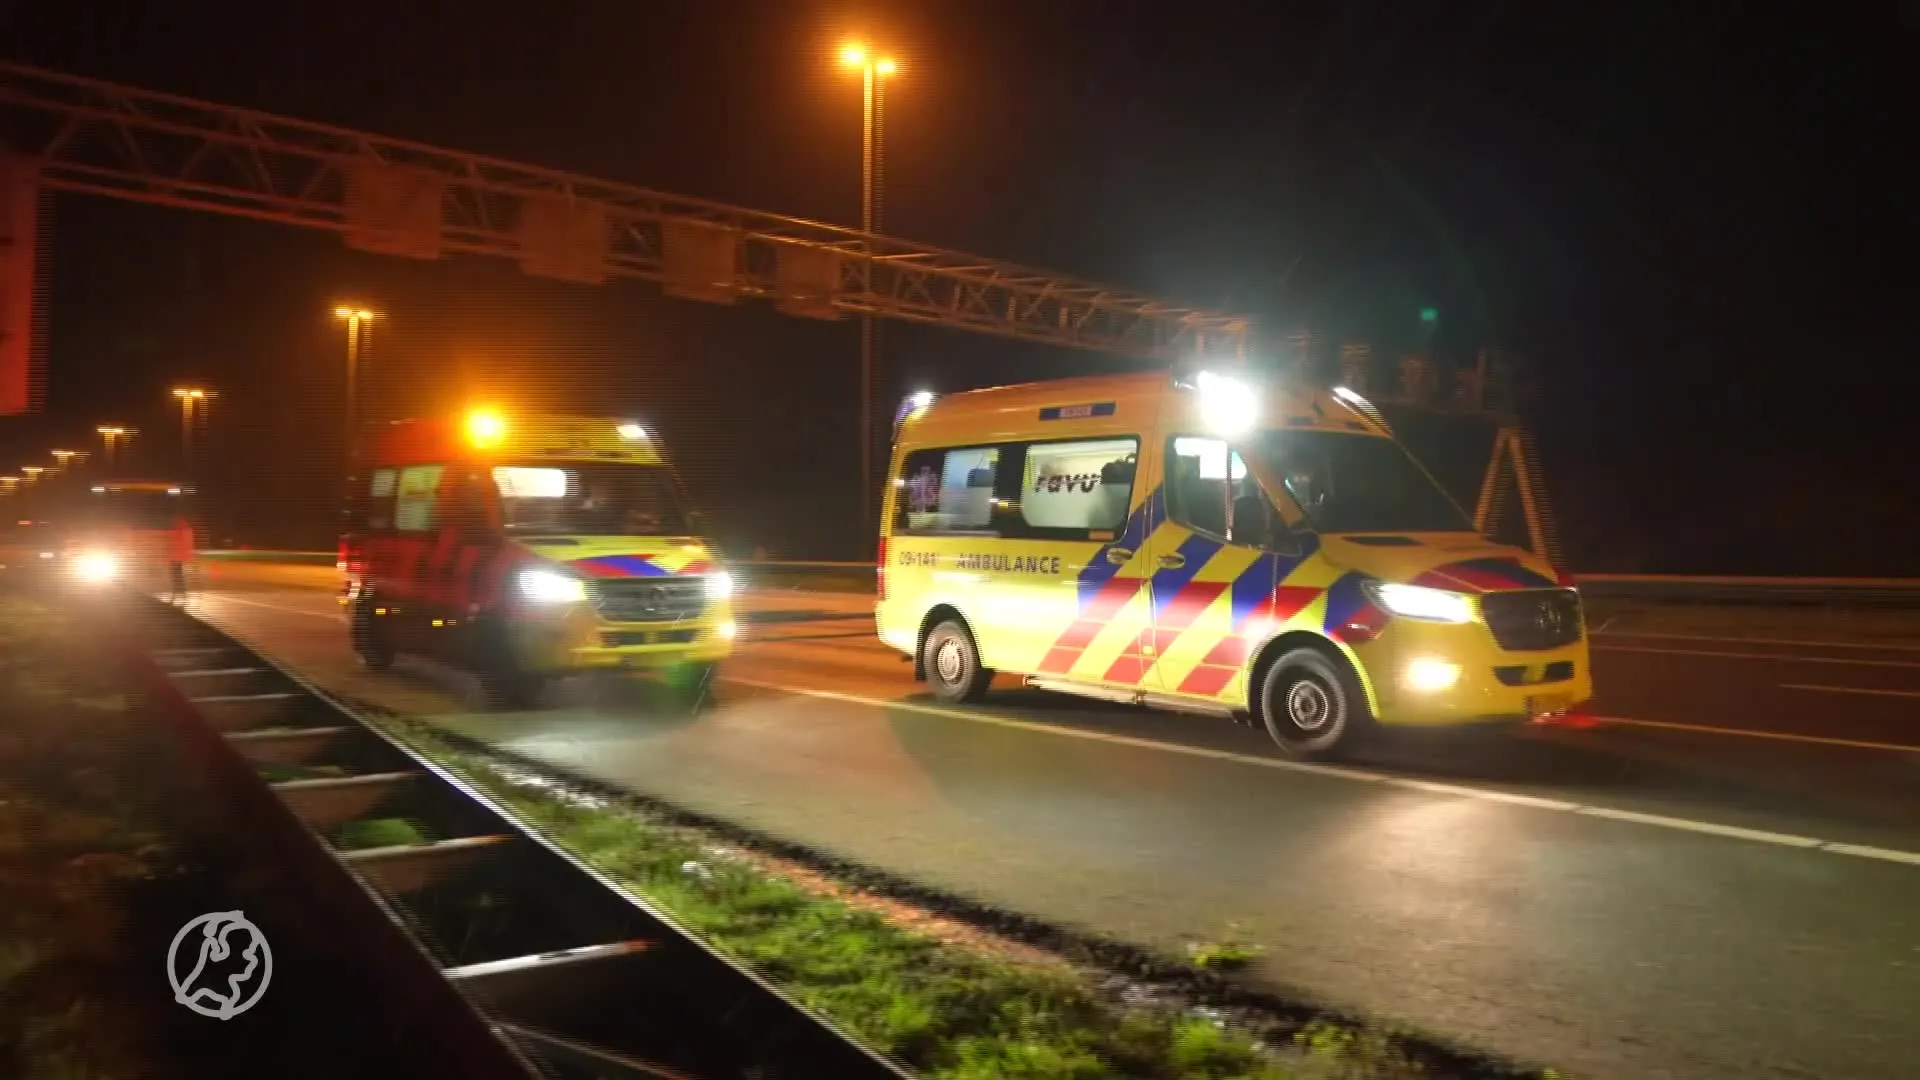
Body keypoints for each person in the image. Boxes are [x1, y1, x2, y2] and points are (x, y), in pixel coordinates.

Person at [168, 511, 195, 602]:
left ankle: (178, 593)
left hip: (176, 557)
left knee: (176, 576)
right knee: (178, 576)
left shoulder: (182, 530)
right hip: (177, 557)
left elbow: (178, 543)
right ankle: (181, 593)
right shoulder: (185, 530)